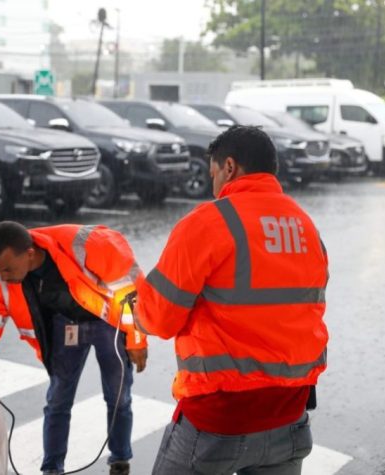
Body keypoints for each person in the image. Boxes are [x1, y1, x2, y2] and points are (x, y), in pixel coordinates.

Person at [133, 125, 329, 475]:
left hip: (218, 420)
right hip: (290, 416)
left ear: (229, 167)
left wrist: (137, 309)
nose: (213, 186)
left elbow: (159, 320)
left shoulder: (209, 223)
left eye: (212, 175)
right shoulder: (305, 227)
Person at [0, 221, 147, 475]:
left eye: (7, 269)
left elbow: (131, 292)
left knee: (118, 398)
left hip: (107, 322)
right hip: (65, 325)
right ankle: (51, 469)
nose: (3, 276)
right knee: (58, 400)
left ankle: (120, 460)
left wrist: (137, 339)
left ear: (29, 253)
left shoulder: (90, 246)